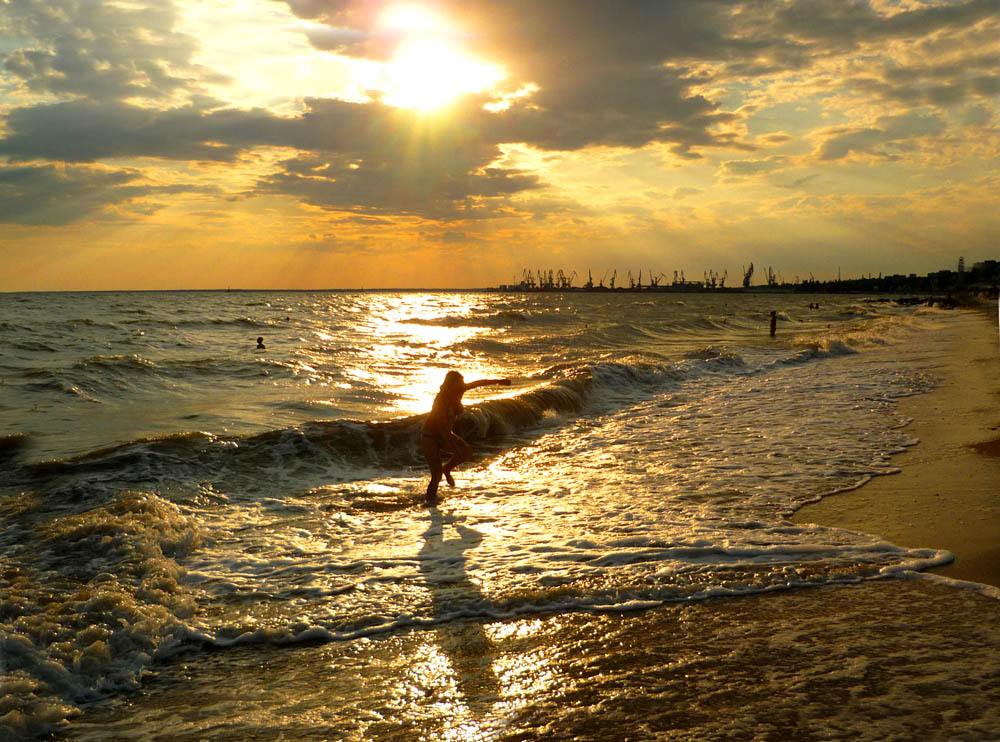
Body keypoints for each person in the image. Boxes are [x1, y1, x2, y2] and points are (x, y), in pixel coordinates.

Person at [421, 371, 511, 500]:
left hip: (446, 433)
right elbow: (441, 426)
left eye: (463, 383)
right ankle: (430, 504)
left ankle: (447, 468)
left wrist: (499, 381)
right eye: (459, 383)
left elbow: (479, 383)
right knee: (436, 475)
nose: (463, 386)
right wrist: (453, 446)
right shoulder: (441, 399)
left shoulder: (459, 390)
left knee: (466, 452)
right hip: (430, 438)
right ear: (451, 384)